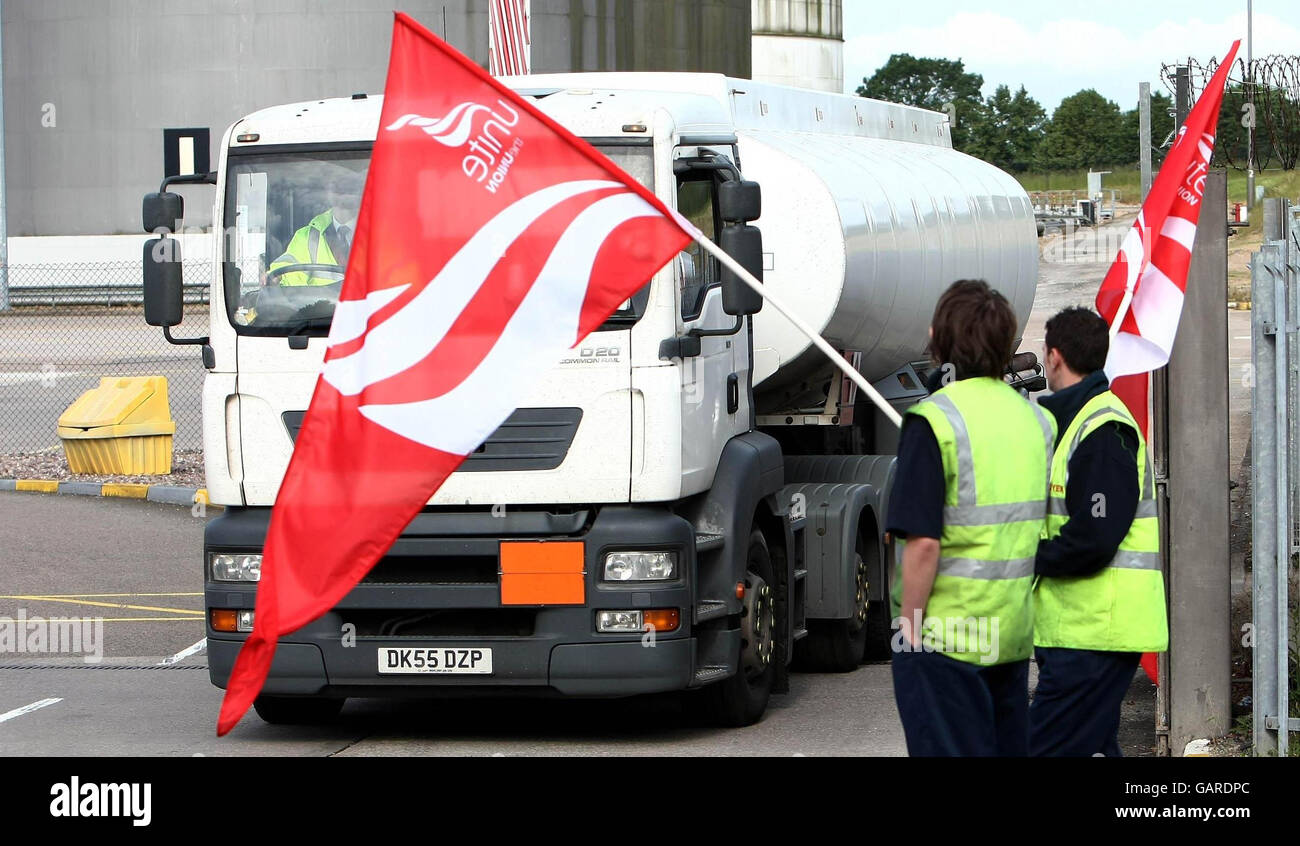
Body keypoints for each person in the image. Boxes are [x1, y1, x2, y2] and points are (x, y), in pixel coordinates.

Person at [886, 279, 1056, 756]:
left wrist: (910, 629)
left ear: (941, 340)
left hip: (946, 640)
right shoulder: (1038, 421)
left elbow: (923, 543)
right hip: (1011, 637)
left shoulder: (934, 420)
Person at [1029, 307, 1167, 757]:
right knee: (1096, 747)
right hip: (1084, 633)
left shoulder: (1102, 429)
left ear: (1053, 357)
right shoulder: (1081, 421)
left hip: (1093, 636)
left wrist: (1028, 557)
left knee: (1042, 749)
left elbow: (1095, 538)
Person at [268, 176, 360, 287]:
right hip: (319, 304)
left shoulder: (382, 235)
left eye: (349, 185)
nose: (342, 190)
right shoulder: (306, 238)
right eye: (336, 185)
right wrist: (274, 278)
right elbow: (285, 271)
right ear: (327, 191)